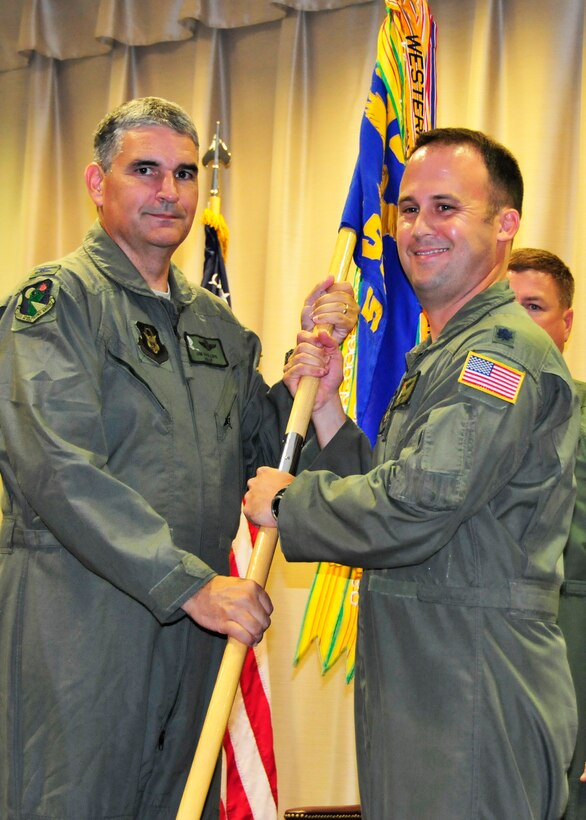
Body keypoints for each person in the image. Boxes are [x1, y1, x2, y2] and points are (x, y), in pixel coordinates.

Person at [0, 96, 357, 819]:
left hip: (194, 636)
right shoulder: (57, 302)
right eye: (146, 170)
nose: (170, 191)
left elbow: (268, 466)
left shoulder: (217, 327)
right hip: (82, 624)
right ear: (98, 183)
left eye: (186, 173)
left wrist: (305, 384)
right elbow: (56, 470)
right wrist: (191, 586)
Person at [244, 128, 581, 819]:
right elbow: (406, 485)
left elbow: (418, 507)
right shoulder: (445, 351)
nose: (419, 228)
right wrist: (331, 411)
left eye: (446, 208)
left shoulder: (500, 355)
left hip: (473, 686)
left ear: (505, 223)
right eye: (407, 209)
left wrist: (291, 503)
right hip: (428, 682)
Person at [508, 248, 586, 819]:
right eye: (506, 305)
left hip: (574, 642)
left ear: (566, 322)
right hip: (486, 645)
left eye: (534, 306)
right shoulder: (464, 407)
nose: (517, 320)